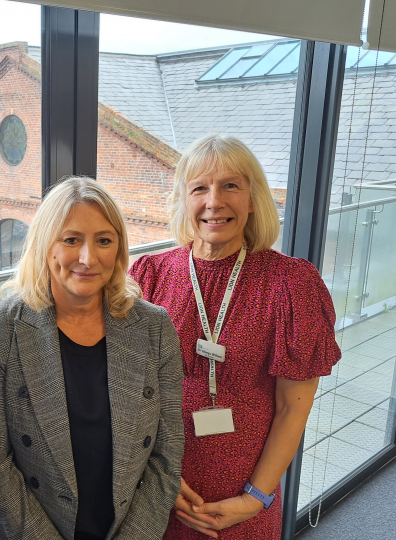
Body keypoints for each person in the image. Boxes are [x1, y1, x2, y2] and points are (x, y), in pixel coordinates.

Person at [129, 134, 341, 539]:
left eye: (230, 185)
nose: (214, 201)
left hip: (246, 496)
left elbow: (291, 409)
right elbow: (130, 394)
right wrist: (159, 476)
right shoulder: (150, 276)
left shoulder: (291, 285)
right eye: (199, 188)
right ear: (183, 199)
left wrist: (254, 498)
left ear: (252, 197)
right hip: (158, 485)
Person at [0, 177, 184, 540]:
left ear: (118, 248)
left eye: (103, 240)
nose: (88, 257)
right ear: (45, 246)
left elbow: (167, 454)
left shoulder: (154, 327)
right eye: (71, 240)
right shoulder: (3, 329)